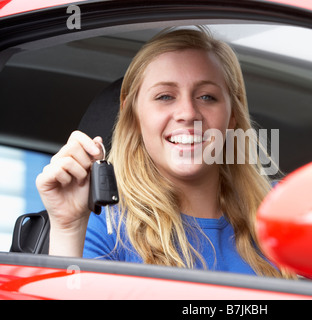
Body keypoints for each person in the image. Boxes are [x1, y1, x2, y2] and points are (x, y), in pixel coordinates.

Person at [36, 27, 293, 278]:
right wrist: (68, 229)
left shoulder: (286, 212)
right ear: (133, 113)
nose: (188, 113)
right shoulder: (105, 227)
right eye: (165, 96)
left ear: (232, 116)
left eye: (206, 97)